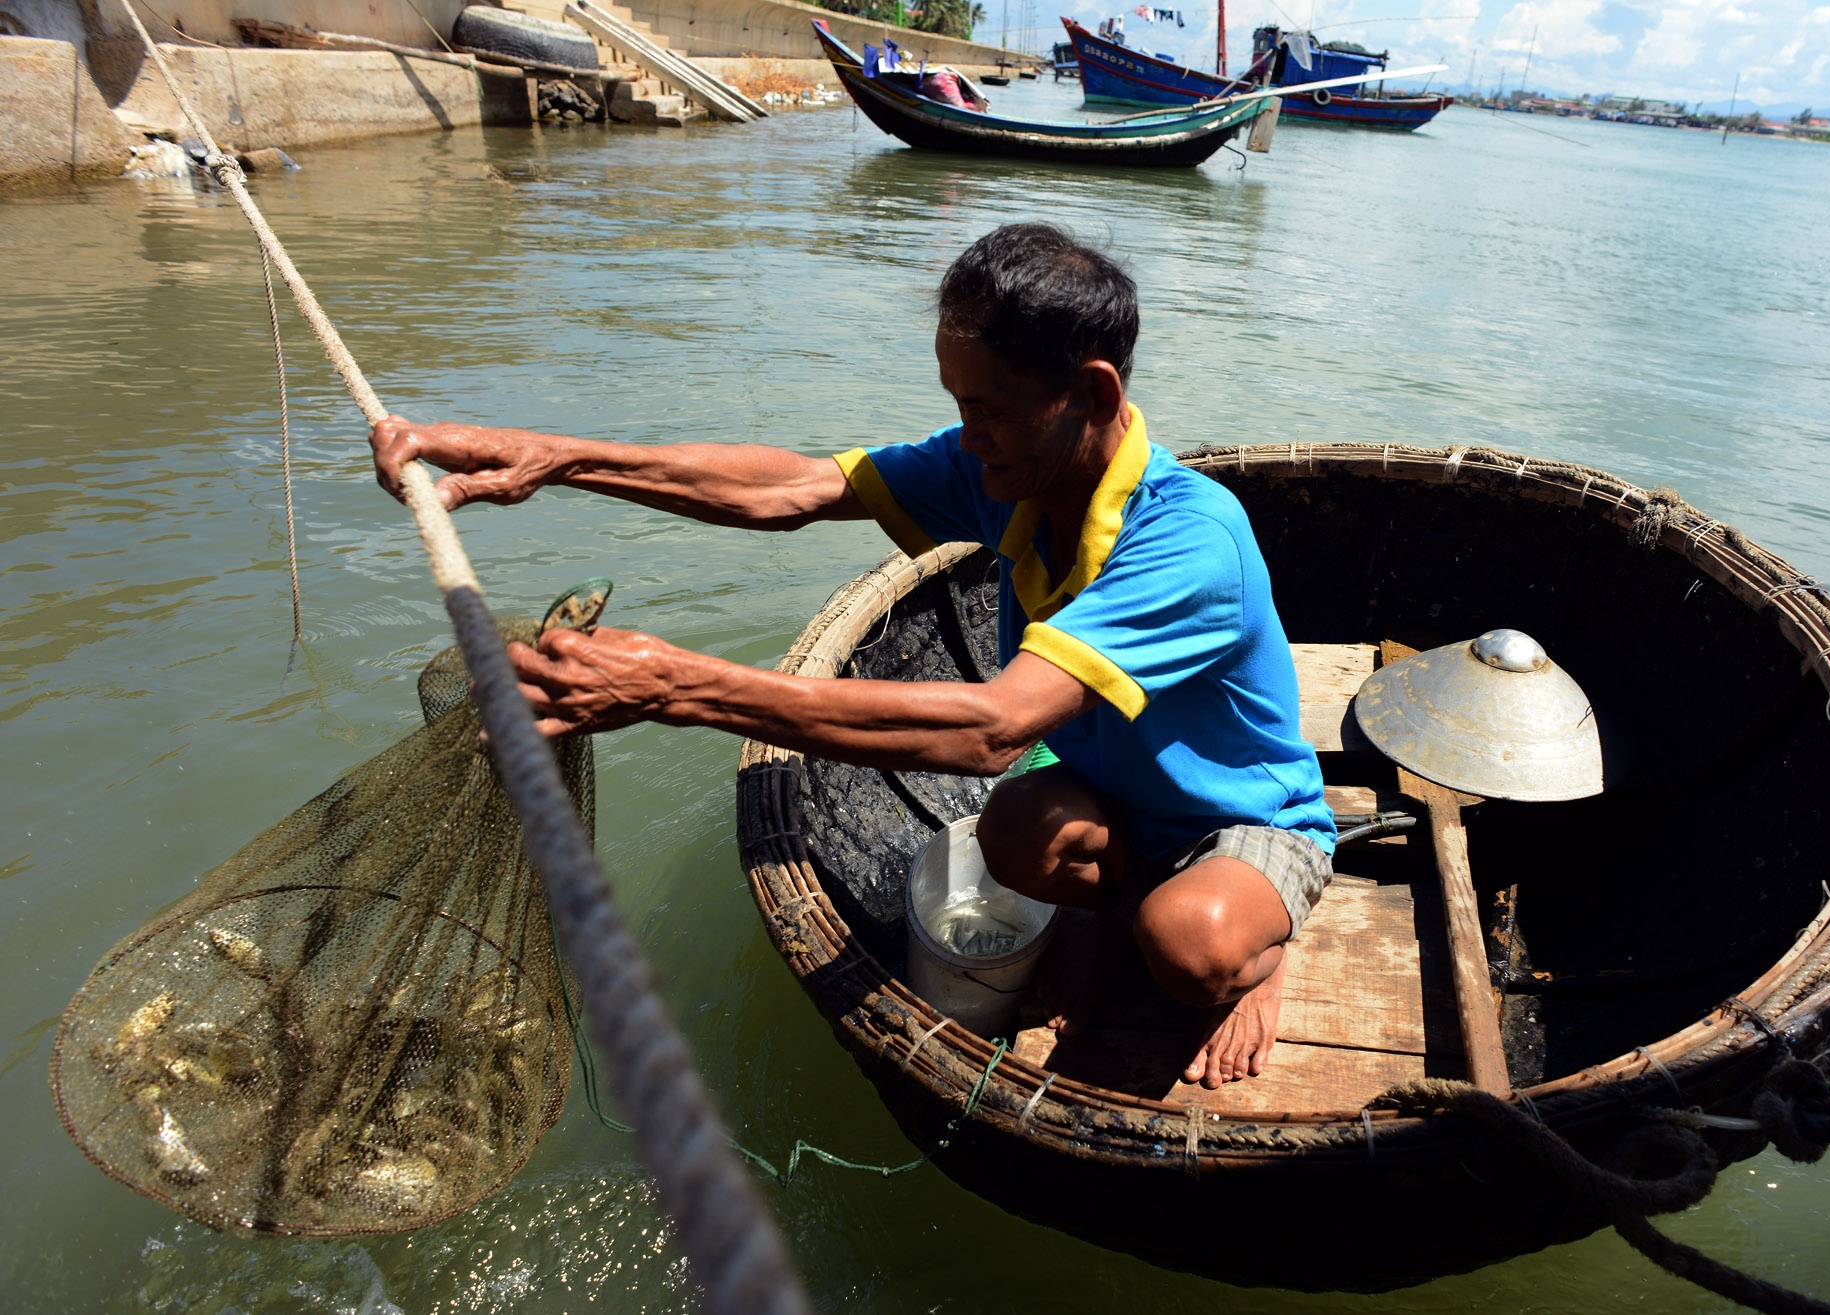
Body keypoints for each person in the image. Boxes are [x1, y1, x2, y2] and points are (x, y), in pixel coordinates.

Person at [369, 222, 1334, 1090]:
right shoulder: (1007, 468)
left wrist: (676, 683)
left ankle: (1260, 943)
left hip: (1239, 817)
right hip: (1115, 801)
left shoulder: (1187, 540)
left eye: (990, 408)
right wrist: (557, 456)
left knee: (1192, 945)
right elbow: (790, 487)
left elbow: (996, 727)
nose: (968, 436)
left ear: (1091, 394)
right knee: (1012, 835)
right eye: (959, 404)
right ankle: (1117, 904)